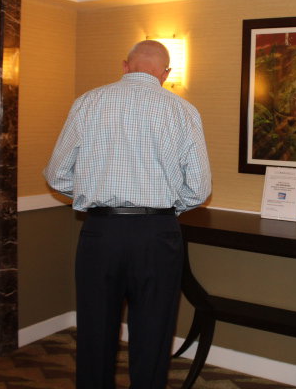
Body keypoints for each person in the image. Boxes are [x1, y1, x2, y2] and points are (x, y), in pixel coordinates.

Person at [43, 40, 212, 389]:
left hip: (101, 232)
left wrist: (92, 195)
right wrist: (164, 209)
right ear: (165, 74)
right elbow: (198, 189)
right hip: (158, 234)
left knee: (95, 330)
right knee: (154, 332)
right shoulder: (183, 111)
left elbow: (57, 174)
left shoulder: (88, 103)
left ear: (125, 66)